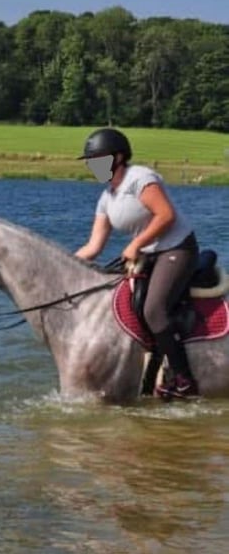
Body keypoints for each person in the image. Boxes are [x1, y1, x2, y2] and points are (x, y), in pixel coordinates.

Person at [75, 127, 199, 399]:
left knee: (153, 309)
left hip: (177, 249)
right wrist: (65, 266)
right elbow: (94, 247)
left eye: (97, 160)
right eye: (90, 162)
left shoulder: (139, 178)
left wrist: (135, 244)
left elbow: (166, 215)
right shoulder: (107, 198)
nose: (92, 166)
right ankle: (146, 372)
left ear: (118, 158)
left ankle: (184, 380)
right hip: (148, 255)